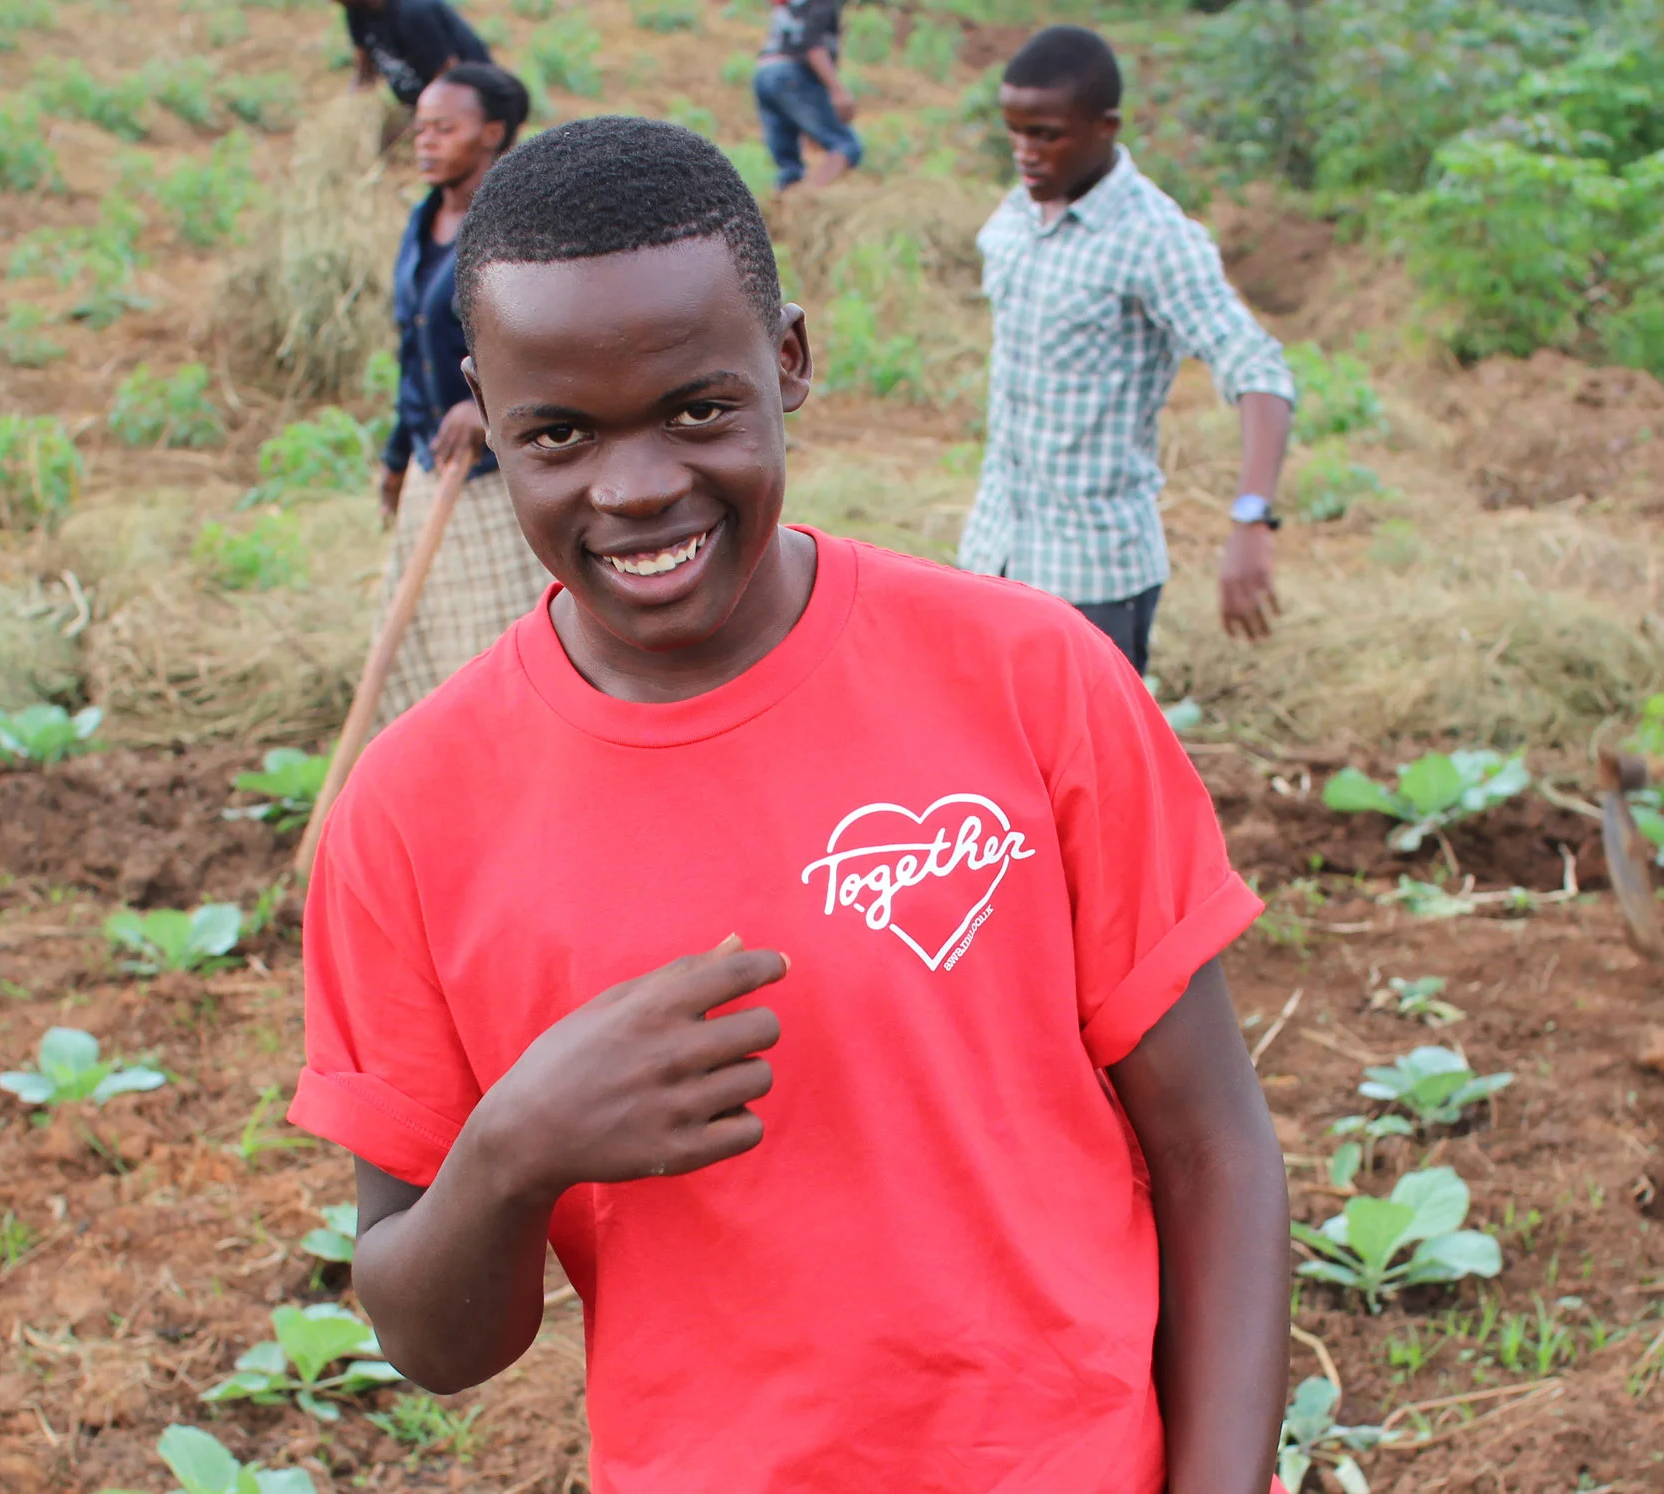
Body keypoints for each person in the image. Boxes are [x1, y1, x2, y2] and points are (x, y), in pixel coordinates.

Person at [291, 117, 1291, 1493]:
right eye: (560, 433)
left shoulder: (1029, 678)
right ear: (485, 409)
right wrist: (514, 1149)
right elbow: (431, 1338)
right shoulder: (410, 817)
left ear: (790, 360)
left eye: (699, 409)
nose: (637, 488)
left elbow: (1214, 1148)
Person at [960, 25, 1294, 678]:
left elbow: (1258, 370)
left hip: (1092, 576)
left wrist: (1251, 519)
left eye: (1046, 135)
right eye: (1015, 131)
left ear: (1106, 126)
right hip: (996, 551)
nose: (1025, 152)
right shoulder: (1023, 208)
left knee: (1092, 771)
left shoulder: (1155, 239)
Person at [368, 62, 554, 728]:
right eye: (421, 128)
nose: (426, 142)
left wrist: (484, 405)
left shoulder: (519, 230)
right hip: (432, 467)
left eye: (446, 128)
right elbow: (410, 354)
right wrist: (396, 458)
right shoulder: (425, 225)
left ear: (493, 134)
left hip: (492, 480)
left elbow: (553, 342)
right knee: (422, 651)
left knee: (496, 648)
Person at [752, 0, 861, 194]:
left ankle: (780, 210)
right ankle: (806, 198)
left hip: (764, 73)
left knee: (789, 168)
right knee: (846, 145)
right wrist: (837, 90)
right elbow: (811, 44)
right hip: (791, 74)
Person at [338, 0, 489, 110]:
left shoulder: (412, 12)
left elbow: (449, 73)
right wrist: (352, 103)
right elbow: (363, 61)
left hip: (469, 100)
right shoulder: (356, 9)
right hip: (423, 101)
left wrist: (425, 120)